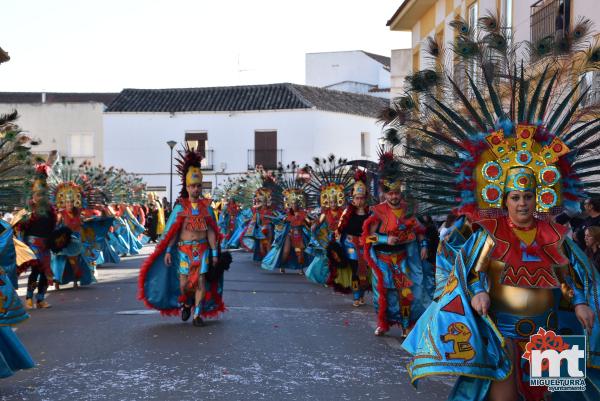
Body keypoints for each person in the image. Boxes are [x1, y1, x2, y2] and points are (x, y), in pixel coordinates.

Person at [138, 145, 227, 326]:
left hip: (202, 250)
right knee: (184, 285)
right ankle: (187, 303)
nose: (196, 189)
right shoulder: (180, 208)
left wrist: (215, 254)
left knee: (201, 281)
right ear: (187, 187)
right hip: (184, 251)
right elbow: (174, 231)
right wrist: (169, 250)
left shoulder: (208, 208)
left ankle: (197, 315)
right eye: (193, 186)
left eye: (198, 186)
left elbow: (211, 231)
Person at [362, 149, 429, 337]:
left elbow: (419, 231)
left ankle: (406, 325)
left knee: (405, 293)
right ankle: (383, 323)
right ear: (385, 193)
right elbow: (367, 238)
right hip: (383, 262)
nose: (394, 197)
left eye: (397, 193)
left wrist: (423, 245)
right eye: (390, 193)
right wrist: (385, 239)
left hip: (402, 260)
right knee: (383, 295)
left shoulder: (408, 210)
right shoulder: (377, 212)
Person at [15, 164, 57, 309]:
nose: (40, 197)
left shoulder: (51, 210)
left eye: (43, 194)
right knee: (36, 269)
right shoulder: (28, 211)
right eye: (38, 195)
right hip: (32, 243)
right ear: (33, 196)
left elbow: (54, 227)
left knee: (46, 271)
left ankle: (40, 299)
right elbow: (19, 226)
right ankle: (28, 298)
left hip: (46, 244)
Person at [336, 169, 370, 306]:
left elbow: (374, 232)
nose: (359, 200)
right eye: (357, 198)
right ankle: (356, 296)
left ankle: (361, 294)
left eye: (362, 198)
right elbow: (339, 229)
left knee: (365, 271)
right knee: (355, 269)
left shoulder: (370, 213)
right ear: (353, 198)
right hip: (350, 244)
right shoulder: (347, 212)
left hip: (366, 244)